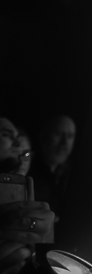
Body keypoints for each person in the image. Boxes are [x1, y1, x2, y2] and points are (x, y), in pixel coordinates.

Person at [0, 117, 56, 274]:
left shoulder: (34, 194)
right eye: (6, 134)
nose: (17, 145)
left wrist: (42, 249)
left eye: (26, 155)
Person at [30, 116, 75, 217]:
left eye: (70, 136)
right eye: (58, 134)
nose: (64, 142)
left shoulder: (69, 178)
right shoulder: (28, 172)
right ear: (43, 136)